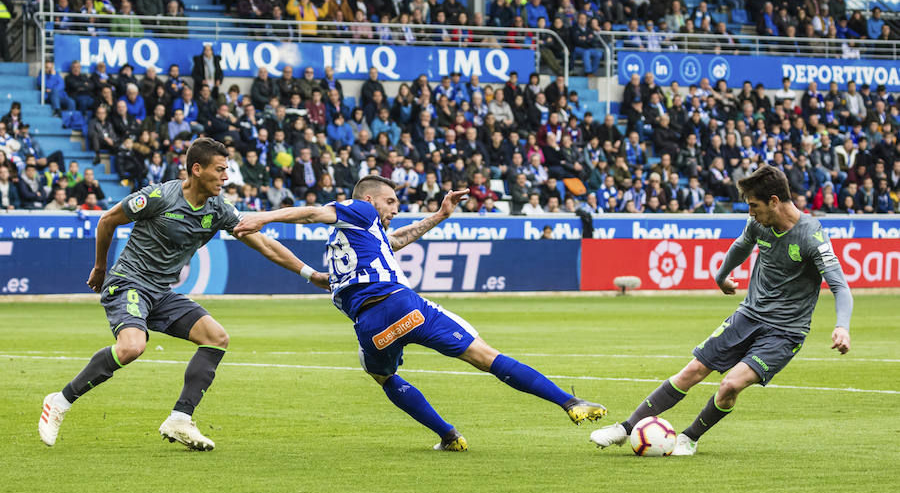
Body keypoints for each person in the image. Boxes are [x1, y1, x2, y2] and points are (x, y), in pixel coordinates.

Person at [233, 175, 608, 451]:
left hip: (370, 326)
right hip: (402, 304)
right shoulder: (359, 209)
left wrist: (441, 215)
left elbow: (397, 240)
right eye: (391, 201)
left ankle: (448, 436)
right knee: (484, 355)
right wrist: (263, 217)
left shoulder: (349, 244)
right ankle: (570, 402)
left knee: (383, 378)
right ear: (369, 199)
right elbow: (314, 212)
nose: (395, 209)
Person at [38, 138, 330, 451]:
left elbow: (264, 243)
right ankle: (60, 401)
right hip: (129, 282)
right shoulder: (159, 196)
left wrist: (309, 274)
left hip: (161, 292)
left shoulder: (218, 209)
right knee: (132, 347)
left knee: (216, 337)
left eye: (226, 170)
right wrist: (99, 267)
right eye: (220, 170)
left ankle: (180, 418)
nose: (226, 177)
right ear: (196, 169)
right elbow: (108, 219)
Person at [590, 165, 852, 456]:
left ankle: (688, 438)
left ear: (774, 201)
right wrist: (721, 275)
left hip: (784, 332)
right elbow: (742, 245)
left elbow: (840, 287)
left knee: (730, 385)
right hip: (748, 315)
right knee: (693, 369)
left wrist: (842, 326)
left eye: (754, 205)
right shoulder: (759, 224)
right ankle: (625, 429)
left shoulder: (812, 237)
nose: (750, 213)